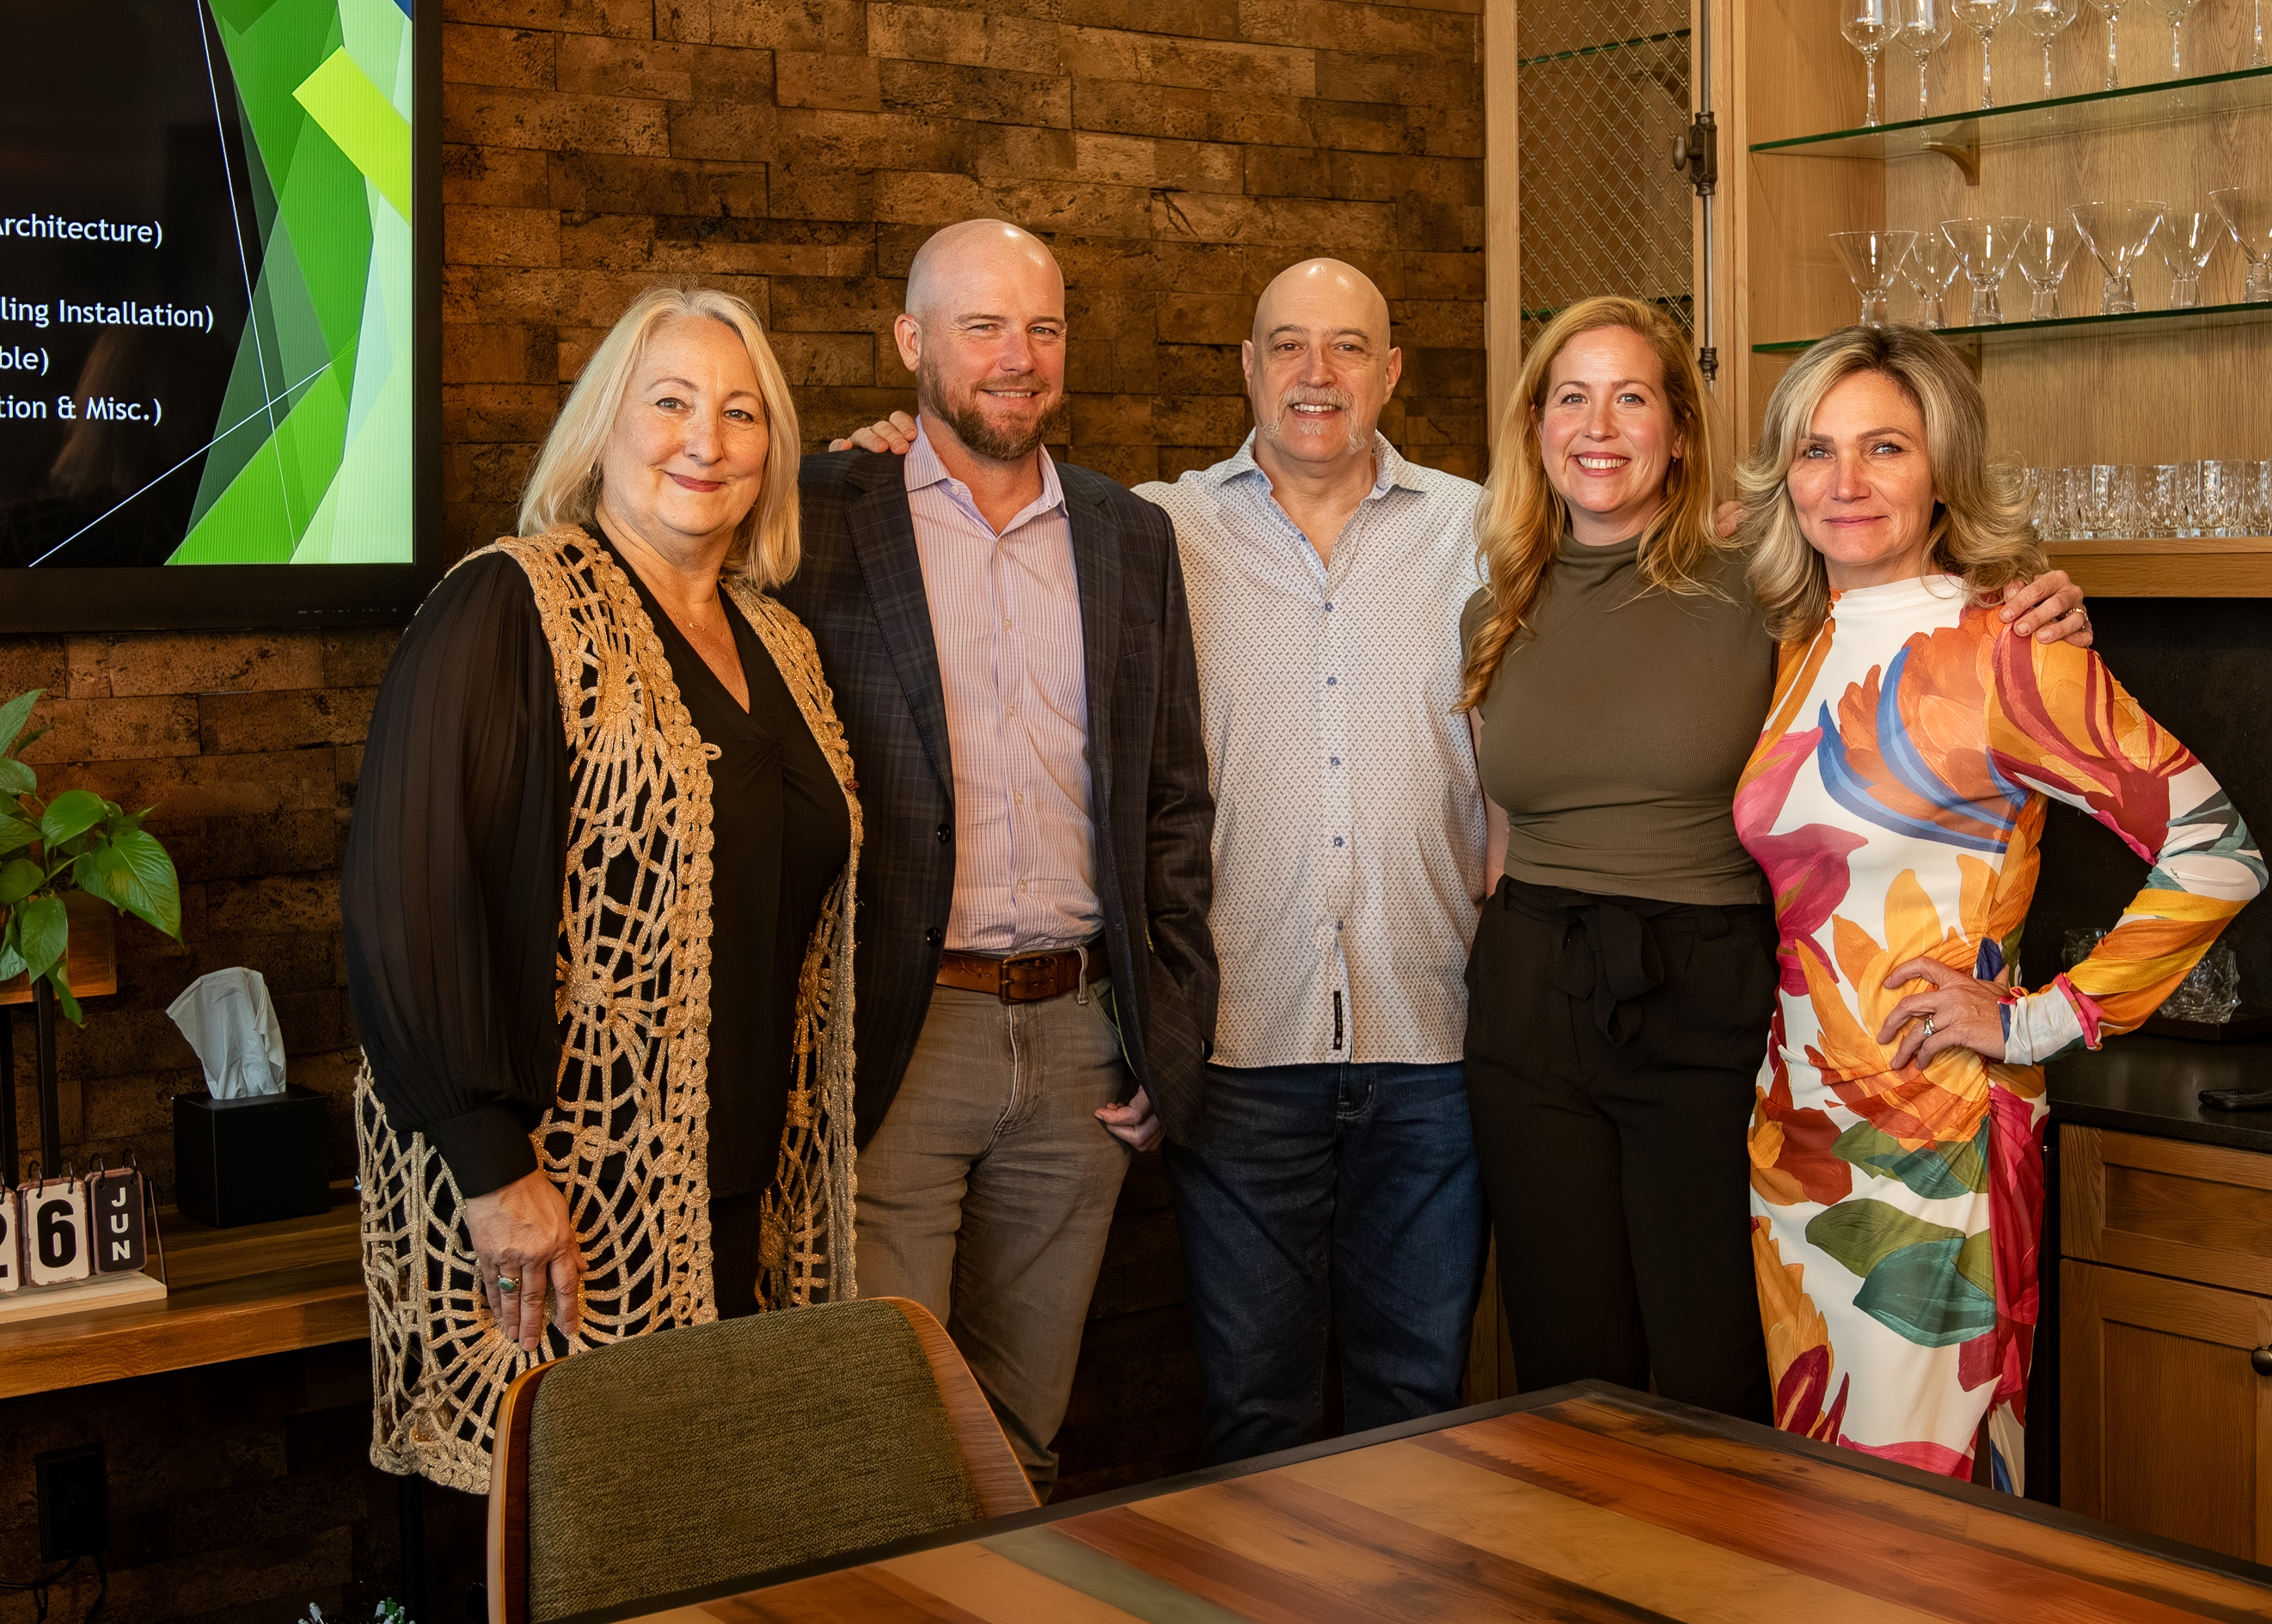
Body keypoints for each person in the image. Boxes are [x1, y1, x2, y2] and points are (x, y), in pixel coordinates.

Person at [833, 260, 1491, 1465]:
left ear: (1393, 370)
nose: (1317, 373)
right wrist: (894, 445)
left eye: (1348, 346)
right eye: (1287, 345)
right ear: (1246, 366)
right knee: (1252, 1411)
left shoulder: (1483, 530)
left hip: (1433, 1038)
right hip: (1238, 1048)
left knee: (1421, 1405)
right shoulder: (1155, 528)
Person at [1460, 295, 2095, 1427]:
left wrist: (2033, 597)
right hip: (1527, 991)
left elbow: (1902, 581)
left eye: (1631, 397)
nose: (1597, 427)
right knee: (1565, 1372)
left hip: (1706, 991)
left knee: (1718, 1363)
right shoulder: (1495, 605)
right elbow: (1503, 827)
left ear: (1678, 432)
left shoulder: (1759, 585)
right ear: (1535, 426)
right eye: (1571, 397)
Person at [343, 284, 860, 1494]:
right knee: (579, 1546)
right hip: (566, 1200)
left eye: (741, 413)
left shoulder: (781, 643)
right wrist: (491, 1167)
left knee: (725, 1539)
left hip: (744, 1187)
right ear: (603, 428)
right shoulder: (510, 602)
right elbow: (409, 893)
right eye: (670, 402)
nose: (705, 441)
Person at [1733, 324, 2264, 1490]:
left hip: (1939, 1147)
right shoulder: (1801, 639)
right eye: (1817, 450)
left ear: (1945, 468)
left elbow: (2218, 852)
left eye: (1885, 447)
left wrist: (2036, 1020)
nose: (1846, 480)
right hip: (1798, 1144)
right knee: (1821, 1520)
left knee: (1919, 1527)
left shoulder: (2011, 649)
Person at [782, 220, 1218, 1499]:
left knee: (1023, 1430)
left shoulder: (1128, 534)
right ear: (911, 342)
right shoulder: (816, 512)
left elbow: (1173, 800)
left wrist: (1169, 1027)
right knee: (884, 1431)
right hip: (902, 1035)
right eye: (982, 327)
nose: (1017, 357)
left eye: (1042, 328)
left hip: (1082, 1046)